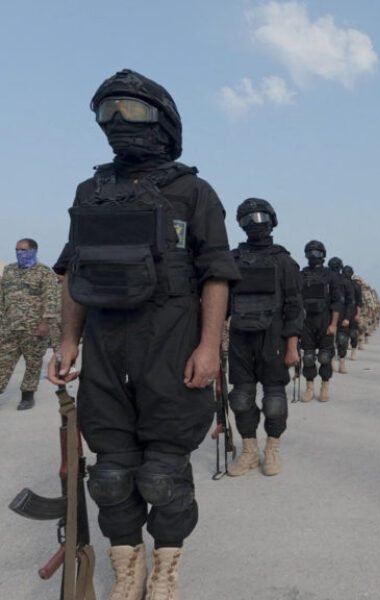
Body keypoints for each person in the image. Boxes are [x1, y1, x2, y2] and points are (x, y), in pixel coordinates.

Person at [48, 69, 240, 599]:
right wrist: (67, 342)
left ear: (163, 120)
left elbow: (217, 275)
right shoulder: (92, 191)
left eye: (131, 111)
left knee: (162, 472)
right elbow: (72, 273)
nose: (117, 122)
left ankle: (166, 569)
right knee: (110, 474)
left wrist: (208, 347)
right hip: (106, 347)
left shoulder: (193, 191)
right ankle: (125, 568)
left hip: (172, 343)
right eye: (108, 112)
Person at [226, 198, 302, 475]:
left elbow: (295, 307)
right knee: (240, 399)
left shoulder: (284, 262)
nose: (255, 223)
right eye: (248, 218)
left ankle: (272, 449)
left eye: (260, 217)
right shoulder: (232, 260)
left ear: (272, 220)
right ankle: (248, 451)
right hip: (240, 341)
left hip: (274, 340)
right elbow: (220, 305)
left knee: (273, 402)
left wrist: (292, 346)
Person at [0, 238, 60, 410]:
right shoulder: (9, 271)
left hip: (34, 328)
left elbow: (51, 299)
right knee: (3, 362)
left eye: (24, 250)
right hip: (9, 328)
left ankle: (27, 396)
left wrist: (44, 323)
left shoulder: (44, 272)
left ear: (34, 250)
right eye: (17, 250)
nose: (20, 253)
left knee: (33, 364)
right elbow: (2, 297)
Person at [300, 240, 343, 402]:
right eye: (310, 253)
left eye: (317, 253)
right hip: (306, 321)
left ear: (323, 255)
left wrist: (333, 324)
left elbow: (336, 302)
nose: (313, 256)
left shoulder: (331, 276)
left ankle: (324, 386)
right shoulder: (302, 275)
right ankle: (309, 387)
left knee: (325, 356)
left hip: (325, 320)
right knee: (308, 357)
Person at [328, 256, 355, 374]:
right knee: (328, 341)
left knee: (342, 340)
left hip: (343, 315)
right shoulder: (326, 280)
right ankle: (330, 362)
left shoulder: (345, 282)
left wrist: (347, 318)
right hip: (328, 315)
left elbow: (350, 302)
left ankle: (342, 362)